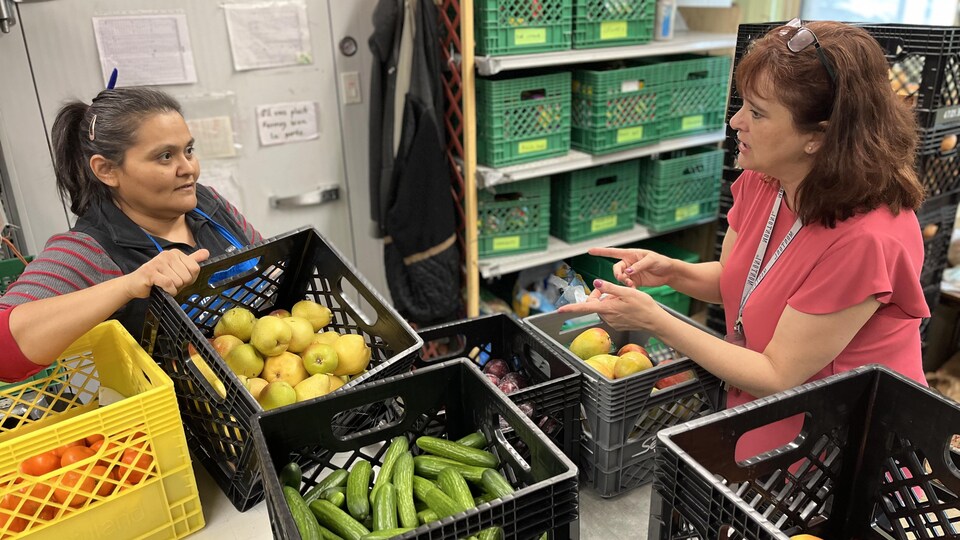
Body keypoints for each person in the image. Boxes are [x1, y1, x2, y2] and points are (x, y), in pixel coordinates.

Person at [558, 20, 929, 460]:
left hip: (836, 443)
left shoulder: (867, 239)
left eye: (757, 112)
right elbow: (738, 280)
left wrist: (655, 318)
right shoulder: (764, 180)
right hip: (763, 411)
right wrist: (670, 271)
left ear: (819, 135)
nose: (736, 122)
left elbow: (777, 374)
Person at [0, 86, 261, 382]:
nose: (188, 168)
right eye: (165, 156)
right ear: (107, 170)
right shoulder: (87, 250)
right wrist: (129, 284)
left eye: (188, 150)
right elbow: (3, 352)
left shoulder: (209, 205)